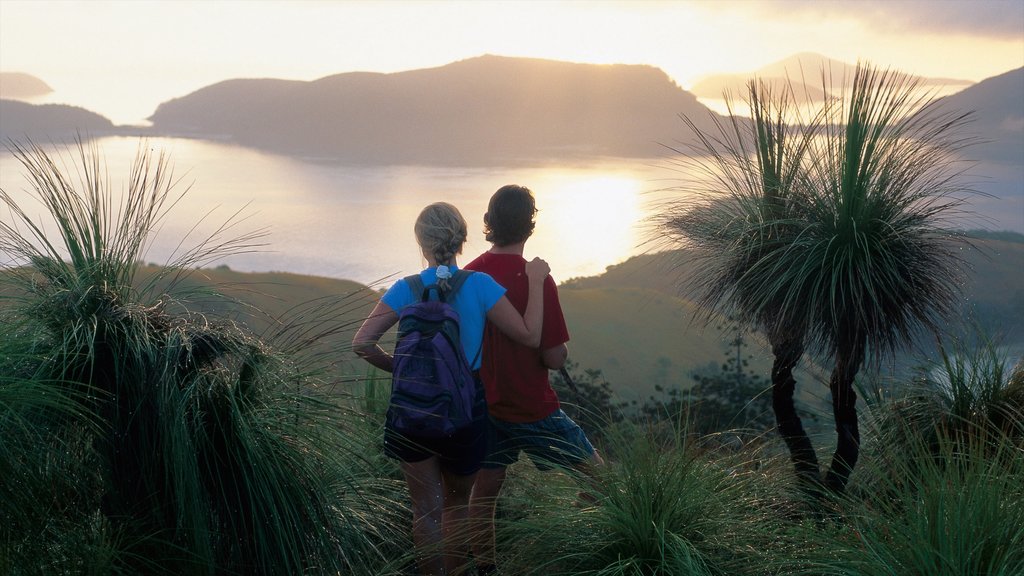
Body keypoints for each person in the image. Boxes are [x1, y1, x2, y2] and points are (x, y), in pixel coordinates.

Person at [352, 201, 550, 576]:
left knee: (425, 509)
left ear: (421, 243)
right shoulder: (480, 286)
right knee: (458, 505)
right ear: (461, 241)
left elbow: (361, 343)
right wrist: (537, 282)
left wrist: (404, 372)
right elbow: (529, 335)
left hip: (411, 412)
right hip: (464, 409)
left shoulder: (405, 288)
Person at [466, 185, 604, 575]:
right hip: (530, 407)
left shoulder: (469, 275)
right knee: (602, 482)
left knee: (484, 494)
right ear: (530, 226)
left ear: (489, 223)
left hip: (484, 405)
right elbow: (553, 356)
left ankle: (486, 569)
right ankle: (568, 553)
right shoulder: (536, 278)